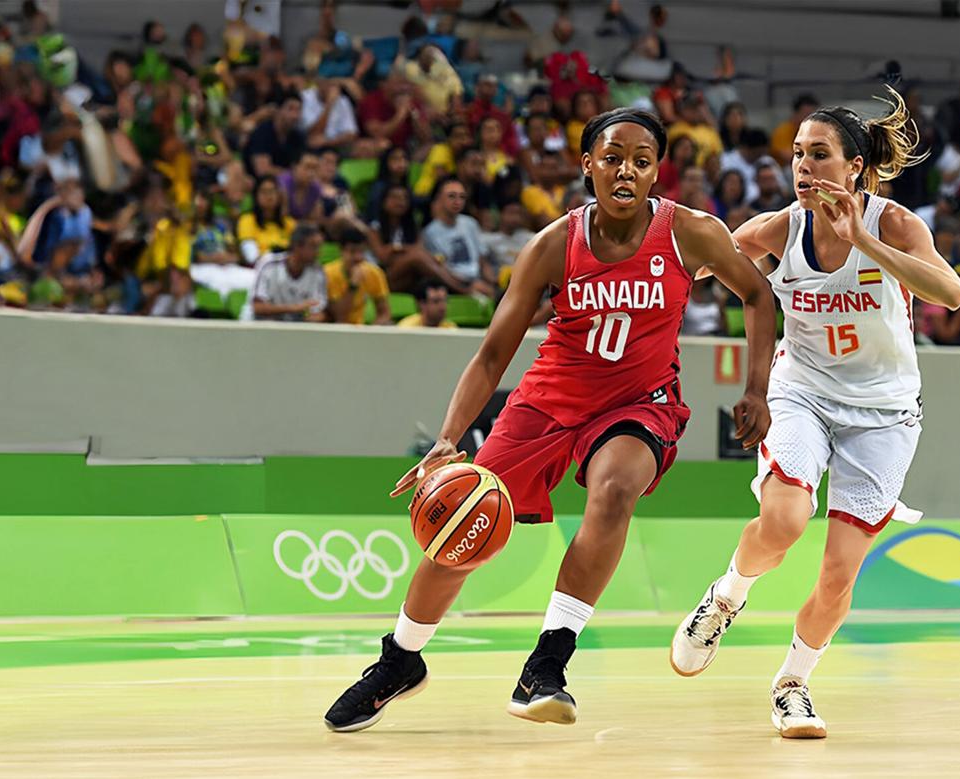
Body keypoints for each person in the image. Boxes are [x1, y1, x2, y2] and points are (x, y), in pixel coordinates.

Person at [323, 108, 777, 732]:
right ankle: (401, 659)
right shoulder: (553, 244)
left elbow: (757, 294)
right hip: (548, 399)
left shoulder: (690, 233)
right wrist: (448, 442)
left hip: (639, 402)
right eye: (613, 157)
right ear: (587, 164)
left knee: (615, 489)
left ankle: (547, 663)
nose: (627, 170)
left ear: (656, 172)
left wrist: (756, 387)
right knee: (463, 515)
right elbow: (491, 354)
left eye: (642, 161)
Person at [667, 88, 960, 739]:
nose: (802, 167)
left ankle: (793, 683)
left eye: (819, 154)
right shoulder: (780, 228)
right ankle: (725, 596)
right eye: (798, 155)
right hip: (801, 393)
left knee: (838, 574)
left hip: (884, 415)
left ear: (854, 167)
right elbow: (691, 267)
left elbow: (951, 291)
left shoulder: (895, 225)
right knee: (783, 519)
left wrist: (863, 240)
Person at [250, 224, 328, 322]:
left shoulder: (318, 271)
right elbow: (257, 307)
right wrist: (294, 308)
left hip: (296, 330)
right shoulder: (269, 264)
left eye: (319, 247)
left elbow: (317, 313)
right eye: (313, 246)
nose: (318, 252)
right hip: (260, 326)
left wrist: (308, 315)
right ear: (297, 246)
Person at [325, 227, 390, 325]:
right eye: (352, 252)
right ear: (341, 251)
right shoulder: (328, 273)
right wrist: (353, 285)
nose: (358, 257)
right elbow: (340, 317)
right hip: (334, 328)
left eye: (361, 252)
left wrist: (372, 331)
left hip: (361, 330)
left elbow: (384, 313)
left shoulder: (374, 272)